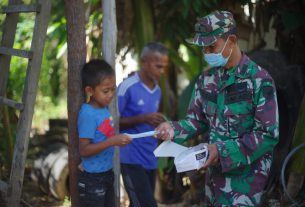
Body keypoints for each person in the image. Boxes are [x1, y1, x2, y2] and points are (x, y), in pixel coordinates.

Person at [156, 11, 279, 206]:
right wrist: (173, 129)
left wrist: (221, 151)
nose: (207, 53)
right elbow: (197, 120)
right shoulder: (206, 80)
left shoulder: (259, 81)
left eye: (212, 46)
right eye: (204, 48)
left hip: (245, 182)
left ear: (231, 40)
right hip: (214, 180)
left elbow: (267, 135)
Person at [117, 42, 169, 207]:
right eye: (158, 66)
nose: (162, 71)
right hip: (130, 158)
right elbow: (111, 123)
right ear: (144, 62)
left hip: (150, 157)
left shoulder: (158, 90)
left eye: (164, 67)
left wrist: (161, 126)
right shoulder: (127, 87)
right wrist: (142, 118)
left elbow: (150, 123)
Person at [77, 59, 132, 207]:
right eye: (105, 91)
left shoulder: (103, 108)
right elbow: (84, 150)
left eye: (113, 89)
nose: (110, 95)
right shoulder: (88, 114)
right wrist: (113, 141)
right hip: (92, 179)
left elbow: (104, 136)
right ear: (90, 91)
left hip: (107, 173)